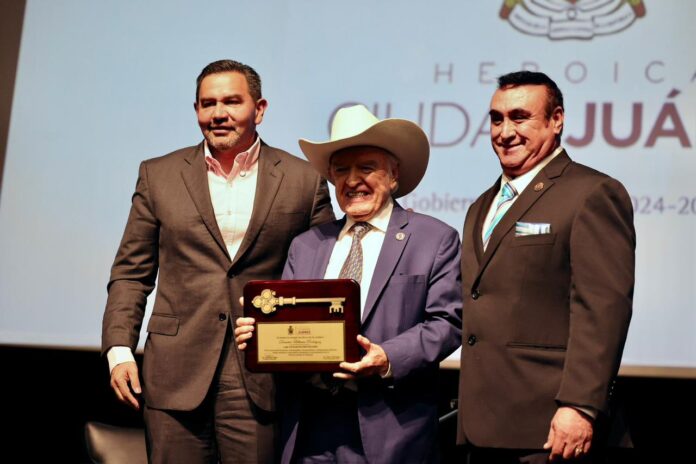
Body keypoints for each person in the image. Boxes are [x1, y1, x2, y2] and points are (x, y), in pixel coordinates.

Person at [102, 59, 334, 463]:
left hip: (262, 373)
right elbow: (131, 273)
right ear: (196, 110)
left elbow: (323, 276)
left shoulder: (303, 179)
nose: (218, 113)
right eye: (208, 104)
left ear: (259, 109)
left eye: (231, 102)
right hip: (175, 370)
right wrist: (120, 349)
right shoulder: (158, 175)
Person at [235, 104, 462, 463]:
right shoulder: (307, 244)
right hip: (311, 430)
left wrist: (387, 357)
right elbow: (287, 327)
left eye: (366, 168)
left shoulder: (434, 239)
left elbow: (447, 323)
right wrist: (260, 335)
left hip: (391, 429)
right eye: (342, 170)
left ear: (393, 175)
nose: (352, 180)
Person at [456, 71, 635, 463]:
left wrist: (580, 405)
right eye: (497, 119)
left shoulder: (592, 193)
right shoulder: (480, 206)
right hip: (481, 429)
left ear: (557, 120)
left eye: (520, 117)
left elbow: (603, 309)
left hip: (551, 429)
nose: (505, 132)